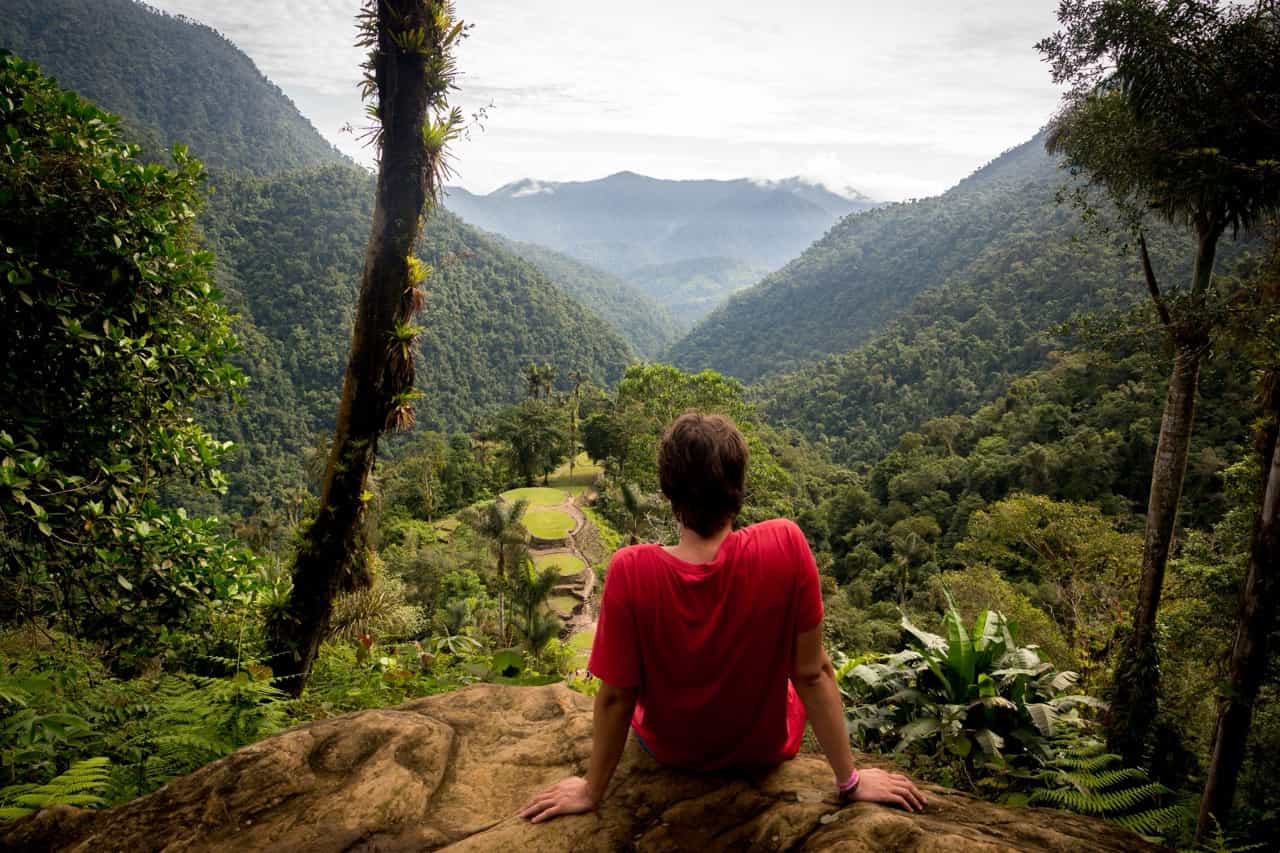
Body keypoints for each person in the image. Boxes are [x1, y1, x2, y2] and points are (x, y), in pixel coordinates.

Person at [519, 412, 926, 823]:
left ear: (667, 490)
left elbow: (617, 696)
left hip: (672, 752)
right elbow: (812, 673)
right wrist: (850, 781)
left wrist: (592, 790)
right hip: (764, 752)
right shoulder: (785, 545)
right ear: (738, 488)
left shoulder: (631, 569)